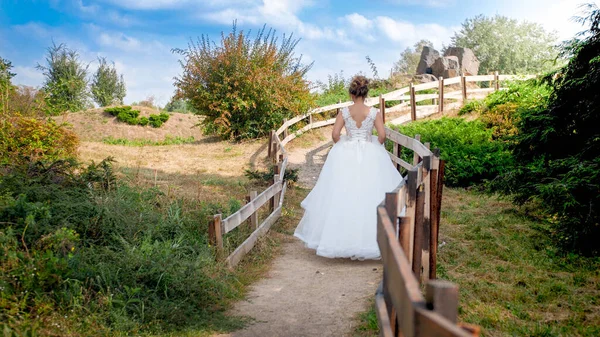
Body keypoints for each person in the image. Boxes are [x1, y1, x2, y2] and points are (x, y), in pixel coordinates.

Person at [294, 75, 404, 260]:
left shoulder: (344, 112)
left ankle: (340, 240)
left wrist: (343, 144)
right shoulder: (374, 112)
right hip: (370, 153)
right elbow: (383, 135)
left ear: (352, 94)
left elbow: (335, 134)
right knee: (371, 193)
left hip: (347, 153)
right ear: (366, 93)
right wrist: (373, 144)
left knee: (342, 193)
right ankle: (373, 241)